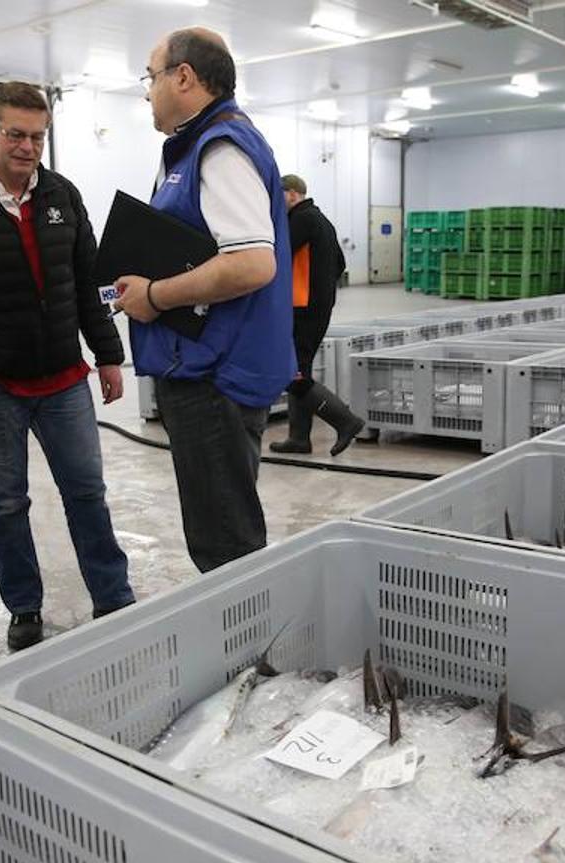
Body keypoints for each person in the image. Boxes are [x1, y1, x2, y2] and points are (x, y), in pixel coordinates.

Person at [0, 82, 134, 651]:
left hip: (65, 378)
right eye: (16, 134)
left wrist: (109, 354)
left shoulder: (62, 195)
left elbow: (91, 281)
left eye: (37, 136)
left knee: (87, 493)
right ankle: (24, 606)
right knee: (4, 502)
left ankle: (113, 596)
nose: (27, 147)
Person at [114, 28, 295, 573]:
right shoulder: (200, 146)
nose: (147, 91)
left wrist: (154, 295)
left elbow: (251, 263)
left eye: (151, 76)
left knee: (225, 547)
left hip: (215, 375)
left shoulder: (219, 145)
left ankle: (245, 655)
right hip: (209, 366)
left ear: (184, 77)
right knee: (224, 528)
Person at [268, 174, 365, 456]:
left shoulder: (300, 219)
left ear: (293, 194)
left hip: (302, 308)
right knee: (300, 368)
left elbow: (276, 256)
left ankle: (346, 421)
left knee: (294, 375)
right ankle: (299, 439)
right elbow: (340, 263)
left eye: (279, 193)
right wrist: (322, 292)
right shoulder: (322, 220)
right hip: (317, 307)